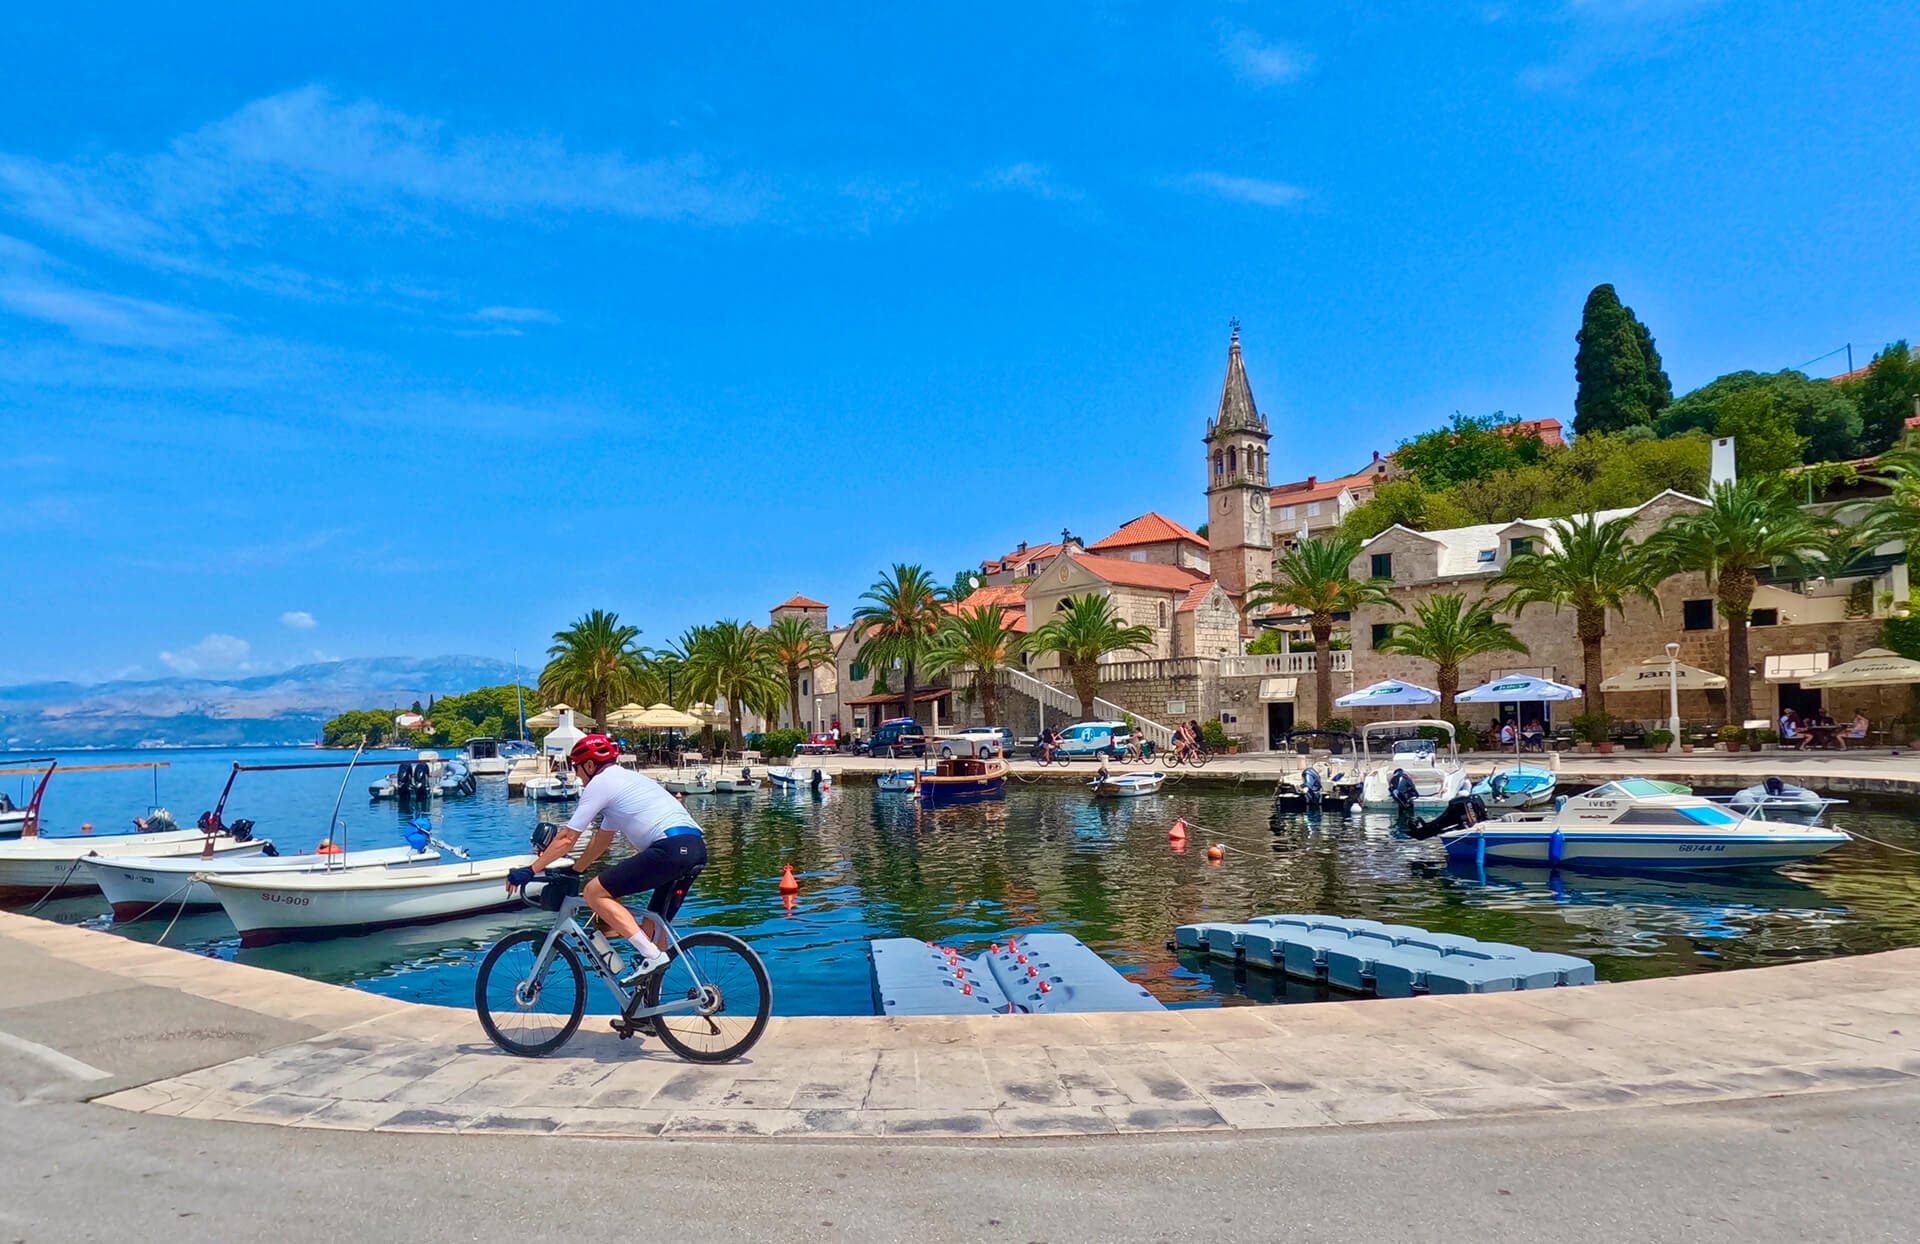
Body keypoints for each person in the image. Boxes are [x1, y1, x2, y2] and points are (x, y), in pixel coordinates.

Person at [510, 734, 706, 985]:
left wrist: (530, 870)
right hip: (694, 848)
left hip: (670, 848)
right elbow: (602, 841)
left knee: (594, 893)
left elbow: (567, 837)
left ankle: (652, 957)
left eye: (576, 768)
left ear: (589, 765)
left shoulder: (600, 784)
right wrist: (576, 869)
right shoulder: (625, 782)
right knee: (651, 930)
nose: (576, 776)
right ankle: (648, 1012)